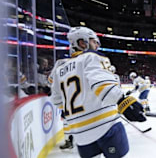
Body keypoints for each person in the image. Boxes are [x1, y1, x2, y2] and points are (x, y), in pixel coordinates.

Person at [49, 27, 146, 158]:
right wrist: (123, 101)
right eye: (94, 42)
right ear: (82, 43)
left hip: (80, 133)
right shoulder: (91, 57)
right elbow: (101, 84)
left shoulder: (59, 68)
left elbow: (56, 99)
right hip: (106, 125)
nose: (97, 46)